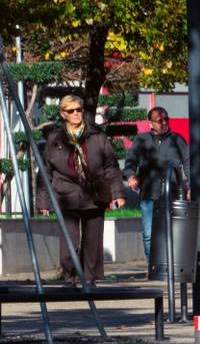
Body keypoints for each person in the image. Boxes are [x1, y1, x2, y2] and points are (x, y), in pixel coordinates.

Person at [35, 95, 125, 285]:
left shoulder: (97, 136)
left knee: (93, 242)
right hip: (65, 195)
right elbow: (45, 171)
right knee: (69, 242)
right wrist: (43, 201)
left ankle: (89, 279)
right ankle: (69, 275)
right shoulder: (55, 139)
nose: (76, 113)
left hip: (95, 195)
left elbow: (111, 166)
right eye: (71, 111)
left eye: (78, 109)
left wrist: (118, 193)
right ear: (63, 114)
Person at [123, 106, 189, 260]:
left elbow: (188, 163)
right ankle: (152, 264)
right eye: (160, 120)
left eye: (166, 119)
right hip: (149, 193)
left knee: (172, 231)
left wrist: (190, 185)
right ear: (150, 123)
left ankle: (170, 263)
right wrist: (131, 174)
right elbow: (131, 160)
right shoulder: (141, 139)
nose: (164, 123)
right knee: (149, 233)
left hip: (172, 193)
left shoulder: (177, 140)